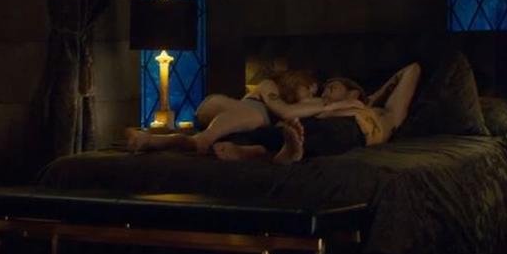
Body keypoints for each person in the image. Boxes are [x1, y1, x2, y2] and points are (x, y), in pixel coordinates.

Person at [211, 62, 422, 165]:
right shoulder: (319, 107)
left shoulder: (384, 114)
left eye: (333, 88)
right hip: (315, 124)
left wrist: (372, 97)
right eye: (325, 89)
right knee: (270, 131)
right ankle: (261, 150)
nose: (325, 92)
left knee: (332, 136)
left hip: (353, 128)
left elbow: (412, 69)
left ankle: (285, 152)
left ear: (353, 92)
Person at [125, 69, 347, 154]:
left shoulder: (303, 110)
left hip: (232, 125)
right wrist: (325, 103)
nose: (312, 93)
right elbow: (285, 111)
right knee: (256, 115)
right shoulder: (269, 85)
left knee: (196, 142)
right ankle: (204, 139)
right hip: (217, 106)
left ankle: (150, 141)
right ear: (297, 79)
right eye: (309, 87)